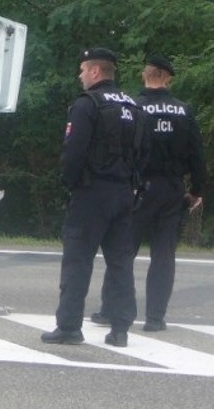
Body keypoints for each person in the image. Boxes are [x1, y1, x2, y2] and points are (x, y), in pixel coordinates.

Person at [91, 54, 206, 332]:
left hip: (138, 187)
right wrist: (197, 190)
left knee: (123, 251)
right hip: (172, 190)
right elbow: (197, 156)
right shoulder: (184, 111)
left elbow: (122, 148)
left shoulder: (134, 107)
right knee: (164, 256)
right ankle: (155, 318)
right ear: (168, 78)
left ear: (145, 75)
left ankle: (110, 310)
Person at [41, 48, 146, 347]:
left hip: (91, 193)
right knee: (121, 263)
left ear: (96, 71)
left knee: (77, 261)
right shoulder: (132, 106)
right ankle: (120, 329)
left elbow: (73, 152)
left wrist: (70, 184)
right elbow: (143, 153)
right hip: (124, 193)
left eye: (83, 69)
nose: (81, 75)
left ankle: (69, 327)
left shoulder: (87, 104)